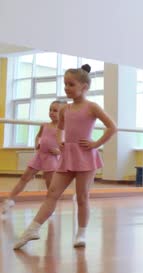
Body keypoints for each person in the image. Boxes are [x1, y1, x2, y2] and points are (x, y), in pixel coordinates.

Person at [13, 64, 117, 249]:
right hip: (67, 155)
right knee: (52, 192)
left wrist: (95, 144)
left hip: (85, 156)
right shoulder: (65, 109)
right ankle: (33, 229)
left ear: (84, 87)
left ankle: (81, 233)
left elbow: (112, 127)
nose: (66, 88)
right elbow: (60, 128)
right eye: (65, 84)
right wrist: (60, 141)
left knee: (82, 196)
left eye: (71, 84)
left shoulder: (92, 107)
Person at [2, 100, 66, 213]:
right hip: (39, 156)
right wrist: (37, 143)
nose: (51, 112)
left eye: (55, 110)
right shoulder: (44, 125)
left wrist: (59, 151)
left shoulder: (63, 129)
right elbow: (38, 137)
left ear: (63, 113)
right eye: (50, 110)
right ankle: (10, 200)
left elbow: (68, 146)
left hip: (51, 158)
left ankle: (50, 206)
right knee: (24, 177)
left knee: (49, 184)